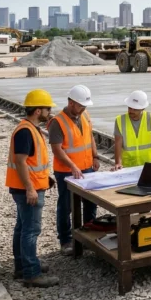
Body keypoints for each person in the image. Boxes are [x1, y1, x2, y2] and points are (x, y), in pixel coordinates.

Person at [6, 89, 59, 287]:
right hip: (28, 190)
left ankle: (23, 266)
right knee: (30, 230)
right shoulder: (26, 131)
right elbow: (20, 162)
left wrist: (46, 178)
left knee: (22, 227)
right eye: (47, 109)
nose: (49, 112)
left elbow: (31, 162)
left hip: (30, 186)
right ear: (38, 111)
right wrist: (30, 188)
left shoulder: (30, 128)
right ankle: (31, 273)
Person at [49, 84, 98, 255]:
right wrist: (72, 166)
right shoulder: (57, 122)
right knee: (66, 205)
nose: (83, 108)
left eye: (84, 106)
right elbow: (57, 149)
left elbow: (90, 136)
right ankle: (66, 240)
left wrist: (95, 156)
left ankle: (88, 236)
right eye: (80, 106)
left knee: (90, 202)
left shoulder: (85, 115)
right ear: (71, 103)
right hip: (66, 171)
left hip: (87, 168)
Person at [113, 90, 151, 170]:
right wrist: (118, 163)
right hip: (128, 166)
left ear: (142, 108)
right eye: (130, 108)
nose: (131, 111)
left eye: (135, 109)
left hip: (149, 165)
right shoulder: (120, 120)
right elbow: (118, 143)